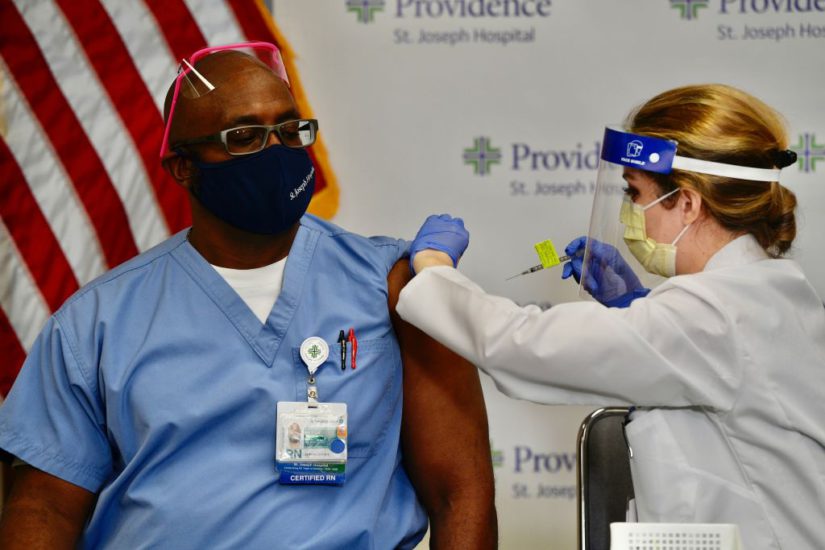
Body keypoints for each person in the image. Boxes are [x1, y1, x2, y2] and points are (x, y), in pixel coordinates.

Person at [0, 42, 496, 549]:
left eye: (290, 129)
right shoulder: (94, 326)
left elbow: (461, 494)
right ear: (183, 167)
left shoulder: (392, 287)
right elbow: (44, 508)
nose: (276, 150)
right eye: (243, 137)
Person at [397, 84, 825, 549]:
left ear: (687, 202)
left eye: (635, 192)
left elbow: (521, 344)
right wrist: (636, 306)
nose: (629, 213)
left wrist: (434, 270)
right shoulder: (767, 296)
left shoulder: (714, 317)